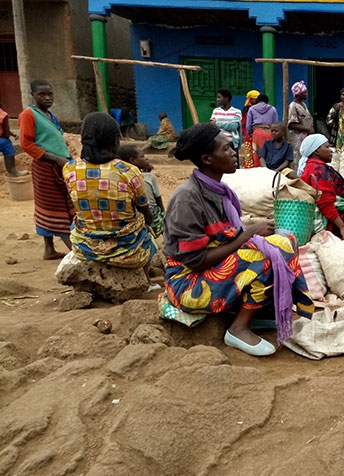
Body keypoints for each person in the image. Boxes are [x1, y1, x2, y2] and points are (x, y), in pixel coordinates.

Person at [163, 123, 314, 356]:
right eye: (226, 149)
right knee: (263, 256)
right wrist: (248, 235)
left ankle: (261, 313)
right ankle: (238, 328)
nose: (235, 153)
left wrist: (253, 236)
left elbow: (226, 238)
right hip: (188, 282)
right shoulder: (187, 199)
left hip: (211, 268)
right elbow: (195, 261)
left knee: (285, 239)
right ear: (207, 159)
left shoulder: (220, 191)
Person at [63, 113, 157, 271]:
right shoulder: (129, 171)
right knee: (146, 229)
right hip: (129, 251)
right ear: (115, 140)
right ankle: (145, 279)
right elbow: (145, 213)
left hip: (86, 249)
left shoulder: (70, 169)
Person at [19, 79, 75, 260]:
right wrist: (55, 158)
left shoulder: (50, 116)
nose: (47, 98)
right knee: (55, 207)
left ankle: (49, 250)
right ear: (32, 95)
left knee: (57, 205)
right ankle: (76, 251)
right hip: (46, 167)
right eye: (42, 94)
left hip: (60, 166)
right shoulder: (28, 114)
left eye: (49, 94)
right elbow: (26, 143)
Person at [119, 144, 165, 236]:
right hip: (149, 214)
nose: (146, 159)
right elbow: (158, 199)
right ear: (132, 160)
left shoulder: (121, 177)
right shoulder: (148, 177)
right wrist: (163, 214)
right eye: (142, 156)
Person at [246, 94, 279, 167]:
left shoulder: (252, 109)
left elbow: (248, 125)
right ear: (267, 101)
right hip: (269, 133)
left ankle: (258, 170)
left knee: (257, 154)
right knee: (269, 153)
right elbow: (276, 124)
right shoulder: (273, 109)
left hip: (257, 133)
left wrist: (251, 134)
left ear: (257, 100)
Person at [210, 88, 242, 156]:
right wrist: (227, 124)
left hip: (231, 143)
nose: (217, 99)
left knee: (233, 165)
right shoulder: (216, 111)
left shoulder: (237, 112)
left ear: (226, 98)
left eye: (219, 97)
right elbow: (212, 125)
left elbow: (233, 126)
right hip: (218, 143)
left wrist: (217, 123)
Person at [288, 81, 313, 161]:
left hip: (305, 137)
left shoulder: (303, 105)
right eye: (305, 92)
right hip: (297, 139)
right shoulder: (293, 106)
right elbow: (291, 125)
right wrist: (307, 129)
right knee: (297, 158)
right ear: (298, 94)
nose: (307, 94)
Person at [0, 106, 27, 177]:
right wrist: (9, 135)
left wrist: (13, 134)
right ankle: (12, 171)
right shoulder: (2, 115)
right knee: (7, 144)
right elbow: (6, 134)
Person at [240, 89, 260, 168]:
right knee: (249, 158)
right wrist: (248, 136)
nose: (257, 101)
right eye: (255, 99)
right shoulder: (247, 110)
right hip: (249, 137)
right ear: (251, 99)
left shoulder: (259, 109)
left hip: (257, 136)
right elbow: (243, 125)